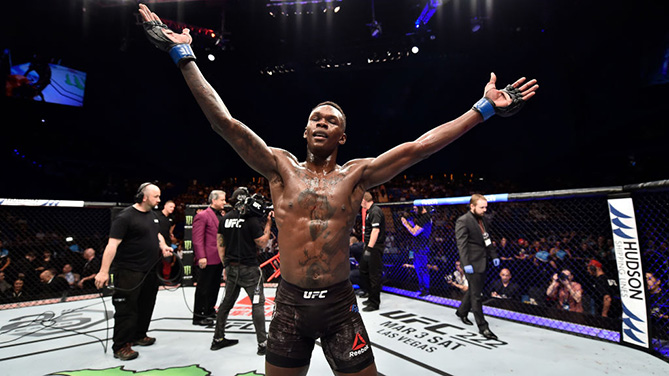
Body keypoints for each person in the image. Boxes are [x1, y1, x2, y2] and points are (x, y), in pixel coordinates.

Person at [138, 4, 538, 374]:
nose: (322, 122)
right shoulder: (279, 167)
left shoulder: (356, 175)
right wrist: (183, 56)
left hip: (339, 306)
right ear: (305, 129)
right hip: (291, 304)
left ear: (342, 136)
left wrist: (482, 110)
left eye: (331, 120)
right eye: (315, 118)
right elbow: (223, 123)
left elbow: (419, 147)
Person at [94, 183, 174, 361]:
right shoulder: (125, 217)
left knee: (147, 303)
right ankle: (121, 345)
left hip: (149, 270)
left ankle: (139, 335)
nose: (159, 200)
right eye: (156, 196)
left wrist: (163, 246)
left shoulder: (152, 216)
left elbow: (157, 235)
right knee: (127, 308)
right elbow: (112, 244)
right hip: (129, 270)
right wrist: (103, 271)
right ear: (144, 197)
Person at [211, 187, 272, 356]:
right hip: (250, 269)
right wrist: (268, 224)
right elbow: (262, 243)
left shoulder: (225, 219)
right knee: (257, 304)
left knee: (226, 304)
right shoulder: (251, 220)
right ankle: (263, 344)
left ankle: (217, 339)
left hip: (231, 268)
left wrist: (225, 266)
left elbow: (220, 244)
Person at [454, 194, 501, 340]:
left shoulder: (483, 219)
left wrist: (493, 255)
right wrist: (466, 263)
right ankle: (483, 327)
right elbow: (461, 245)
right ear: (472, 206)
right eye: (482, 207)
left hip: (482, 260)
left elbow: (487, 239)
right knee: (477, 295)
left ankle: (461, 312)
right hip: (471, 262)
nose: (484, 210)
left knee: (475, 290)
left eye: (486, 207)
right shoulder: (463, 220)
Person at [192, 190, 226, 326]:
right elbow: (197, 239)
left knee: (214, 287)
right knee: (203, 287)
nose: (225, 202)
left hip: (218, 257)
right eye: (222, 200)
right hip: (207, 257)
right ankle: (198, 315)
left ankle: (209, 310)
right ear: (214, 201)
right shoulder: (202, 216)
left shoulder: (220, 216)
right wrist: (201, 257)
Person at [359, 192, 386, 312]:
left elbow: (376, 231)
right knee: (363, 270)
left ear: (364, 200)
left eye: (361, 201)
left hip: (374, 247)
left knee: (374, 275)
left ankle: (374, 303)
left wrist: (369, 248)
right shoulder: (370, 211)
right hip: (369, 245)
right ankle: (370, 296)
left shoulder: (375, 211)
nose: (359, 203)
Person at [401, 205, 433, 296]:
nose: (414, 211)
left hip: (422, 246)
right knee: (418, 268)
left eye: (415, 209)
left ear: (421, 207)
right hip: (418, 246)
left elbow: (415, 232)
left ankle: (425, 289)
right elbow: (416, 228)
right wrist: (410, 222)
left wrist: (406, 224)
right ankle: (421, 287)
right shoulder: (422, 217)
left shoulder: (425, 217)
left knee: (422, 268)